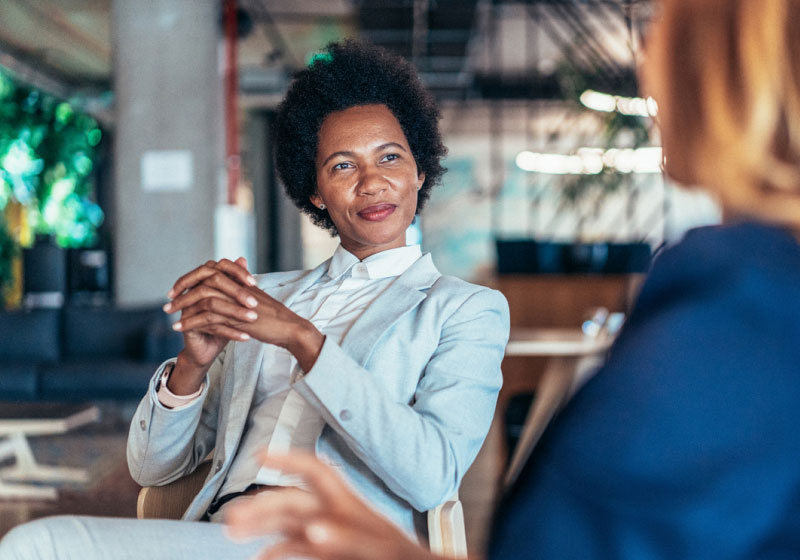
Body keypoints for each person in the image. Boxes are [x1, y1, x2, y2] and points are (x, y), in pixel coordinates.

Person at [223, 0, 800, 558]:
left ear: (728, 72)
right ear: (316, 188)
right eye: (344, 164)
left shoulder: (740, 310)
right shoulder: (745, 300)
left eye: (659, 24)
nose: (646, 51)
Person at [0, 39, 509, 559]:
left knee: (39, 545)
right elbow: (153, 470)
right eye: (342, 166)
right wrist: (191, 366)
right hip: (225, 534)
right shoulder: (262, 296)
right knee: (36, 544)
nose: (372, 182)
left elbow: (433, 476)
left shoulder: (465, 309)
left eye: (390, 157)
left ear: (419, 172)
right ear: (315, 192)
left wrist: (305, 341)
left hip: (336, 542)